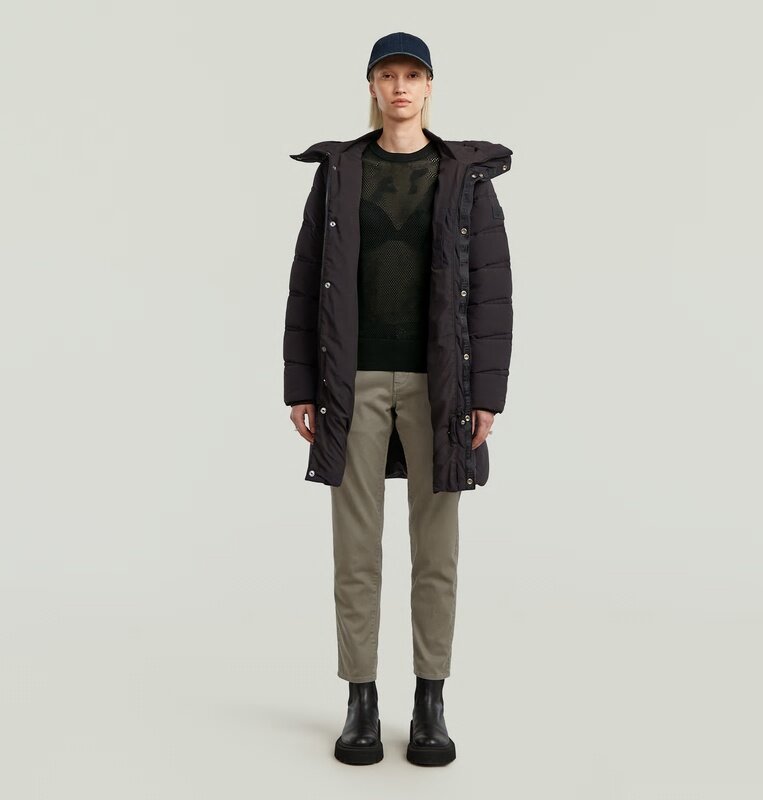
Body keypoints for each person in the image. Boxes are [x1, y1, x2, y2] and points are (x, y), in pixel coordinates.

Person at [283, 32, 514, 766]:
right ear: (372, 86)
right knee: (355, 552)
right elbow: (306, 279)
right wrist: (300, 384)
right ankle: (360, 701)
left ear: (430, 86)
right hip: (348, 382)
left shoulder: (465, 178)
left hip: (439, 387)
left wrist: (486, 395)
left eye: (413, 74)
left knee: (435, 552)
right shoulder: (339, 174)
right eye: (388, 75)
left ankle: (429, 701)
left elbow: (493, 292)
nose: (401, 86)